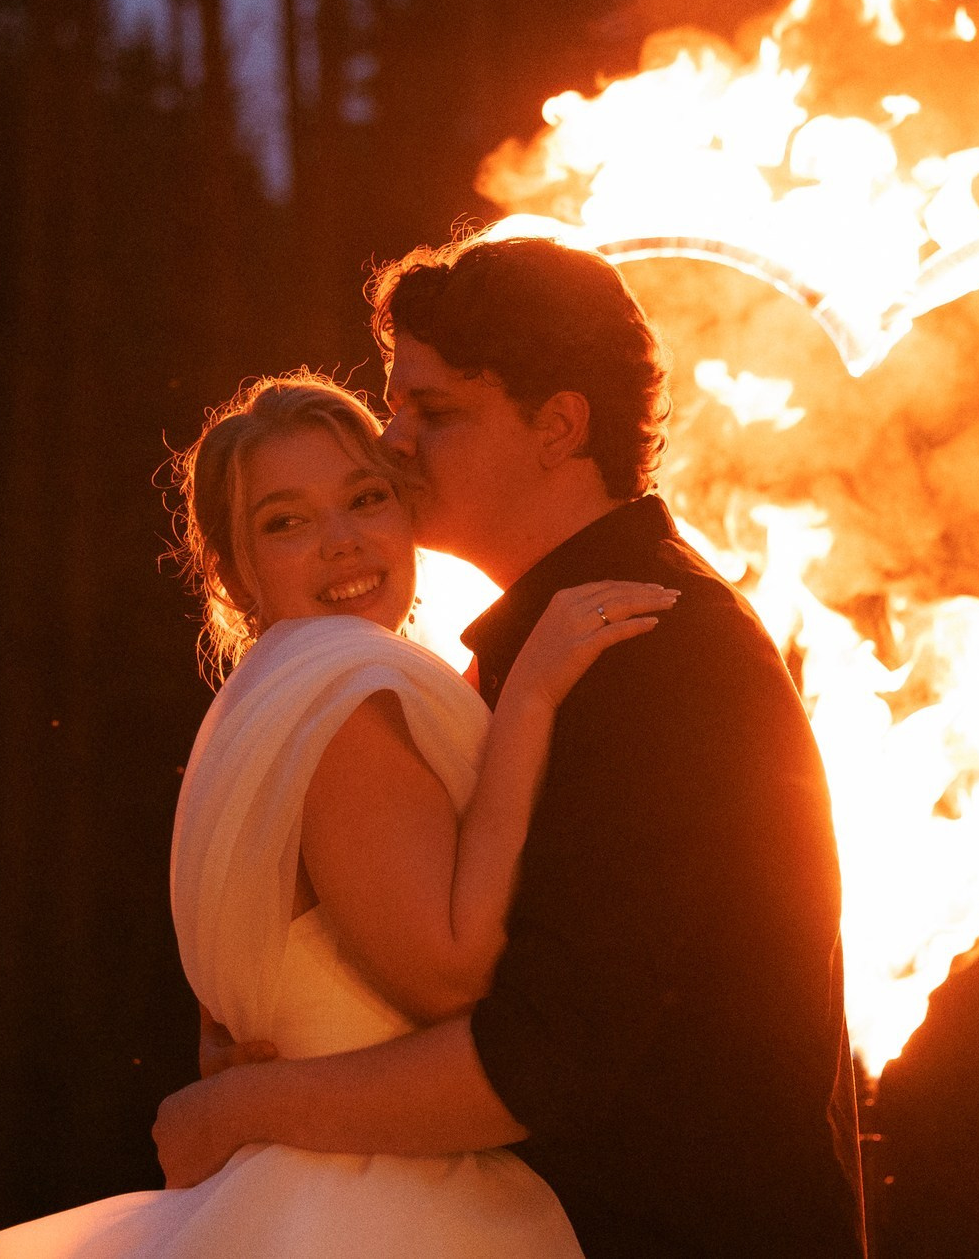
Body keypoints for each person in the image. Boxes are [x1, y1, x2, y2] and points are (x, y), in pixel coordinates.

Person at [151, 236, 868, 1259]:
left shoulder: (651, 654)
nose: (394, 440)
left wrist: (247, 1105)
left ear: (559, 426)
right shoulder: (533, 653)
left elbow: (541, 1056)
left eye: (435, 411)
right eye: (396, 406)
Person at [0, 372, 675, 1258]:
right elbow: (451, 977)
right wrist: (530, 698)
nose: (342, 542)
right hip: (377, 1208)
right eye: (286, 522)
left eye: (366, 498)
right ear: (235, 573)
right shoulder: (338, 698)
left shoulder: (269, 702)